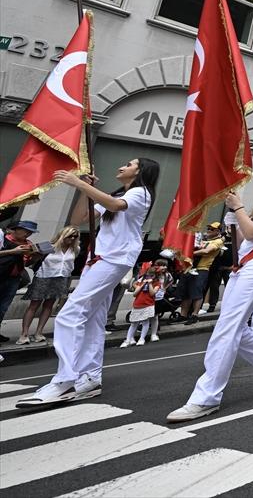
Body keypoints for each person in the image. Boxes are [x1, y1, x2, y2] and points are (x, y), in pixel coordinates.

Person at [17, 158, 159, 407]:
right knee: (93, 319)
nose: (121, 166)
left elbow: (115, 205)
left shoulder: (141, 193)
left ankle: (64, 381)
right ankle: (91, 378)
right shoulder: (116, 194)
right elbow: (79, 219)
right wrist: (82, 188)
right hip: (99, 259)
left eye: (129, 164)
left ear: (141, 171)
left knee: (70, 314)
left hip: (113, 259)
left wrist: (80, 184)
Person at [166, 164, 253, 422]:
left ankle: (206, 397)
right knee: (233, 326)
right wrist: (232, 219)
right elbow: (243, 240)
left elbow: (252, 233)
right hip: (246, 264)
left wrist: (238, 208)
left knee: (227, 328)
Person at [17, 226, 80, 345]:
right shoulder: (49, 247)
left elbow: (70, 265)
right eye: (69, 236)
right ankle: (24, 334)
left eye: (75, 236)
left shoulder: (75, 249)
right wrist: (36, 255)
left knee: (49, 305)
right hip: (43, 277)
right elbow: (29, 262)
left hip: (62, 278)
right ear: (62, 235)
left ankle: (38, 333)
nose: (72, 238)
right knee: (34, 305)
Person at [0, 220, 38, 342]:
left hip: (14, 279)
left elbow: (27, 263)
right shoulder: (3, 238)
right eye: (26, 231)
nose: (28, 234)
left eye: (30, 232)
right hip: (1, 276)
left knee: (3, 307)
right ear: (16, 229)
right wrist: (13, 251)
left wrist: (37, 256)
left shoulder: (28, 244)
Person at [181, 222, 223, 325]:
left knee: (197, 293)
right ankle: (183, 315)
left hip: (202, 268)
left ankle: (195, 315)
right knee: (186, 293)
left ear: (217, 231)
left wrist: (189, 253)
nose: (208, 230)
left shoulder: (218, 241)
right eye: (208, 228)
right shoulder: (203, 238)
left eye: (211, 229)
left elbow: (206, 251)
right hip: (190, 267)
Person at [120, 258, 168, 348]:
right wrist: (141, 285)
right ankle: (128, 339)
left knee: (149, 320)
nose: (149, 277)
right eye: (148, 275)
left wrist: (150, 284)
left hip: (150, 303)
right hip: (138, 304)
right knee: (134, 322)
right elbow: (135, 293)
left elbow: (152, 293)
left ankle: (143, 338)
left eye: (152, 276)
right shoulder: (142, 281)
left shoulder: (156, 282)